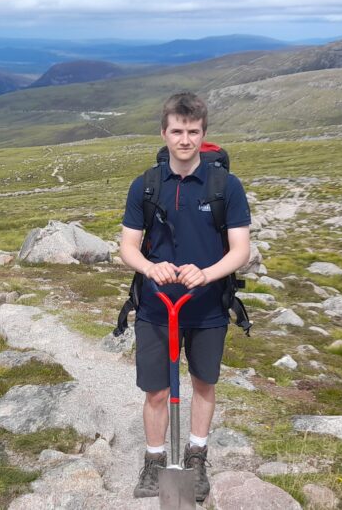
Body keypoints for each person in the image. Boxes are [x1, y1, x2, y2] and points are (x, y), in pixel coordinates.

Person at [119, 92, 251, 501]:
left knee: (203, 383)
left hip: (208, 306)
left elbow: (240, 249)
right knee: (156, 390)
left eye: (193, 132)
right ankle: (155, 460)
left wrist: (207, 273)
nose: (184, 139)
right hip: (157, 306)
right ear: (164, 133)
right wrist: (148, 267)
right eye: (177, 131)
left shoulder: (225, 186)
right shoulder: (145, 185)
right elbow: (128, 246)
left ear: (203, 135)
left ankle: (196, 455)